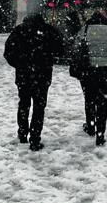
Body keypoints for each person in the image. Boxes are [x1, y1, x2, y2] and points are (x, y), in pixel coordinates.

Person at [4, 14, 63, 151]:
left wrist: (20, 64)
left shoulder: (19, 31)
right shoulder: (49, 31)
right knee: (39, 106)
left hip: (24, 75)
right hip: (43, 75)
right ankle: (35, 137)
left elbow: (8, 53)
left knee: (24, 103)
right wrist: (47, 59)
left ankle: (23, 132)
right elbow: (60, 51)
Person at [73, 10, 107, 146]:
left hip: (88, 70)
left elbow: (76, 49)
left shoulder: (84, 30)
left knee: (89, 99)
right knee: (103, 102)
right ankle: (100, 134)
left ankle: (91, 127)